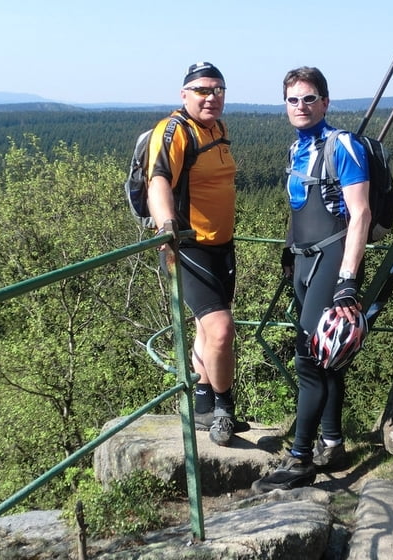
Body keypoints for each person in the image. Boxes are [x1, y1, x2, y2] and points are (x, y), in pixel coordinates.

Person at [252, 67, 371, 492]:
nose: (300, 106)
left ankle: (300, 458)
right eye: (292, 100)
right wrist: (290, 252)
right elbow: (300, 207)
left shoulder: (344, 146)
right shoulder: (296, 149)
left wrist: (346, 280)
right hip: (304, 262)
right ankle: (332, 440)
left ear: (325, 102)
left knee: (309, 359)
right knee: (327, 360)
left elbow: (360, 213)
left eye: (308, 98)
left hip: (334, 260)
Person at [146, 62, 249, 446]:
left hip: (222, 246)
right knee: (222, 330)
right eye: (203, 90)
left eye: (218, 89)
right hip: (187, 246)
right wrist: (166, 227)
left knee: (207, 328)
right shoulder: (173, 131)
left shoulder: (217, 129)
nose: (211, 97)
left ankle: (203, 403)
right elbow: (158, 180)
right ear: (184, 94)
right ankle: (224, 407)